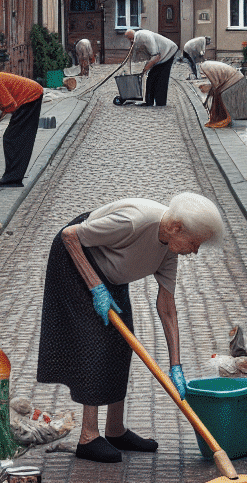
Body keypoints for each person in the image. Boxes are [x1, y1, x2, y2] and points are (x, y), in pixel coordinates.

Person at [37, 192, 224, 463]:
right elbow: (69, 235)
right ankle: (88, 436)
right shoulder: (134, 222)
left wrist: (176, 366)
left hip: (111, 271)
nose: (194, 251)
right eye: (194, 243)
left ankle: (115, 430)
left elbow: (167, 306)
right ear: (176, 228)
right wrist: (96, 287)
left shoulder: (169, 248)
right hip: (76, 260)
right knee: (95, 345)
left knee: (122, 344)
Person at [125, 28, 179, 107]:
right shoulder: (138, 37)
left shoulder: (143, 37)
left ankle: (159, 103)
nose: (130, 41)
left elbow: (156, 56)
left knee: (160, 78)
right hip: (162, 54)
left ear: (131, 36)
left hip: (168, 52)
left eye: (130, 39)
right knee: (152, 77)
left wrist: (146, 69)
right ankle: (150, 101)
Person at [200, 60, 245, 129]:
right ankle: (222, 117)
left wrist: (212, 89)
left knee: (220, 94)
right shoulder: (209, 67)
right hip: (234, 78)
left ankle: (226, 118)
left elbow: (216, 84)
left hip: (234, 80)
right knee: (218, 93)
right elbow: (216, 83)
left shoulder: (208, 68)